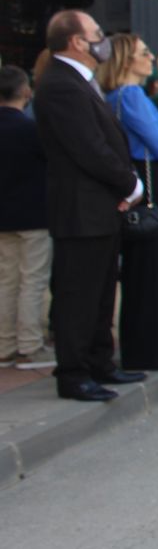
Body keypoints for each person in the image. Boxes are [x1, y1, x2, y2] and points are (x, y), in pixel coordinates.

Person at [31, 10, 146, 402]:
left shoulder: (81, 81)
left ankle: (99, 362)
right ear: (77, 42)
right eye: (97, 33)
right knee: (78, 295)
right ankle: (74, 372)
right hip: (81, 209)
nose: (104, 39)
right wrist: (130, 182)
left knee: (99, 292)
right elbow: (88, 148)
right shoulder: (61, 84)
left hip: (99, 207)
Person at [98, 34, 158, 371]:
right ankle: (156, 348)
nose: (151, 57)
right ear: (126, 60)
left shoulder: (113, 97)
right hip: (152, 181)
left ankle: (143, 346)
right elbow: (157, 140)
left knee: (141, 271)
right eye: (144, 52)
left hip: (137, 180)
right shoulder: (132, 95)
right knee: (156, 269)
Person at [0, 65, 52, 368]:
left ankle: (5, 342)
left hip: (4, 217)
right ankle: (30, 343)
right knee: (32, 280)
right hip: (33, 214)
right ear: (25, 92)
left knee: (6, 279)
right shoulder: (31, 130)